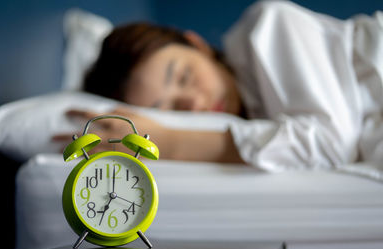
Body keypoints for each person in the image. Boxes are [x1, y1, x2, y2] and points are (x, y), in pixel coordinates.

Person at [55, 0, 383, 172]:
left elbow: (329, 143)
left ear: (197, 45)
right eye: (167, 109)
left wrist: (163, 141)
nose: (194, 106)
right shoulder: (252, 115)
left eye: (183, 76)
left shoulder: (268, 25)